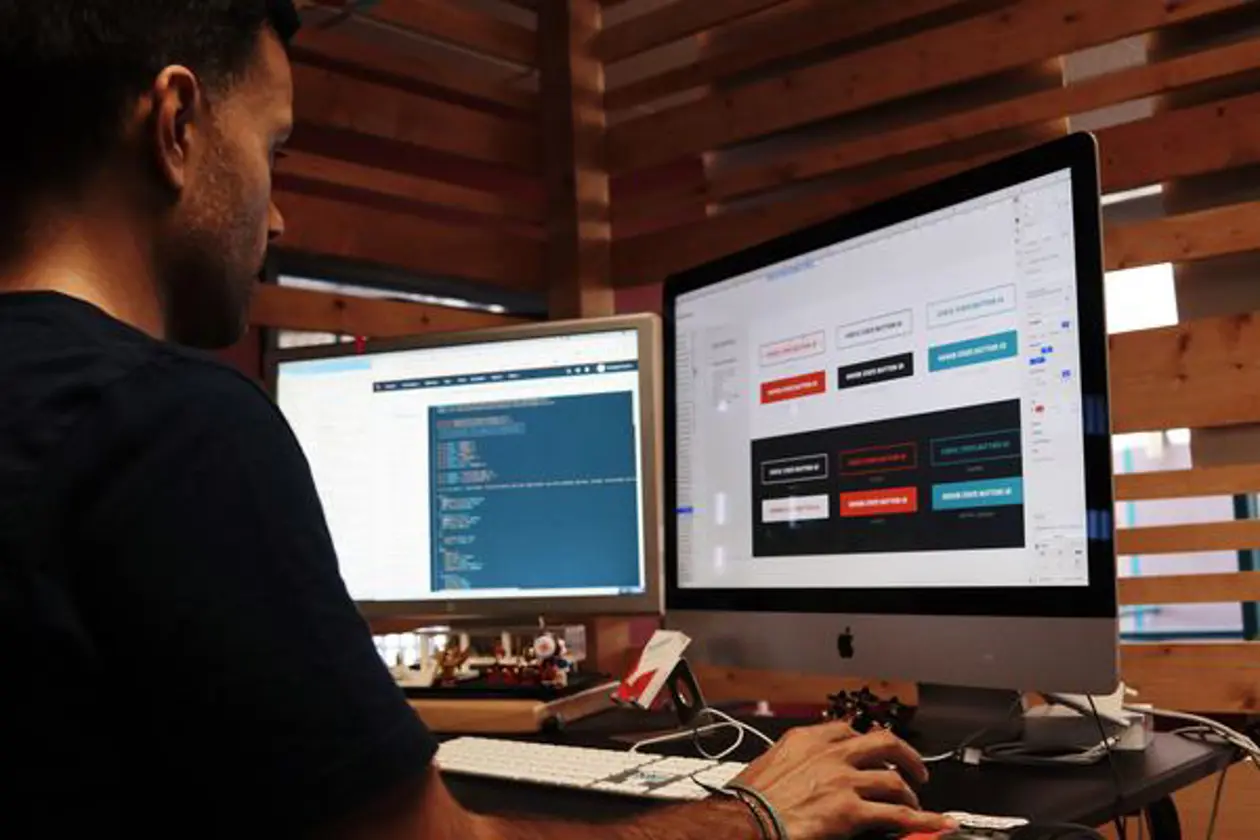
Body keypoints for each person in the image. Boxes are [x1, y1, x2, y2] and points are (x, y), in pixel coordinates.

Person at [0, 2, 956, 837]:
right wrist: (756, 814)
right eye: (273, 149)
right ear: (175, 124)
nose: (278, 216)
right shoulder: (171, 427)